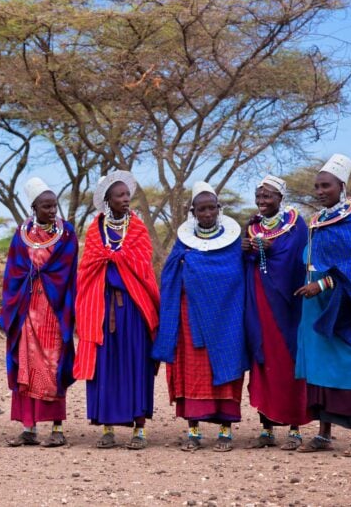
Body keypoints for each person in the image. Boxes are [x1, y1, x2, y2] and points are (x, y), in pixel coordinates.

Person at [294, 154, 351, 457]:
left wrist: (321, 284)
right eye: (317, 186)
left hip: (346, 303)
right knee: (319, 363)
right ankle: (323, 433)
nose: (320, 191)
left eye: (326, 186)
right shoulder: (319, 220)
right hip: (315, 305)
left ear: (341, 185)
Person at [152, 181, 249, 452]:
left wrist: (197, 268)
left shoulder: (233, 244)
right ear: (192, 212)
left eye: (211, 209)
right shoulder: (183, 244)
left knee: (226, 370)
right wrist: (189, 266)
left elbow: (235, 276)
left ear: (219, 209)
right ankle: (193, 431)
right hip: (189, 317)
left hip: (226, 319)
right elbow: (171, 274)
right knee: (192, 371)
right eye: (201, 210)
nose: (207, 214)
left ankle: (225, 432)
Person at [74, 171, 160, 450]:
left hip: (133, 308)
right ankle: (107, 427)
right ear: (107, 199)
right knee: (105, 366)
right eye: (119, 195)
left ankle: (139, 428)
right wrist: (110, 262)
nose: (125, 199)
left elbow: (143, 263)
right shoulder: (94, 229)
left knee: (136, 363)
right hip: (101, 307)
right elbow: (87, 267)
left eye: (127, 194)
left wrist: (117, 260)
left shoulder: (137, 228)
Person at [0, 178, 77, 448]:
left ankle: (57, 428)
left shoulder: (66, 234)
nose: (52, 210)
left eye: (54, 205)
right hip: (25, 308)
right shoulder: (21, 235)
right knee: (27, 365)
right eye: (46, 206)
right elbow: (12, 271)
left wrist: (44, 276)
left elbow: (68, 270)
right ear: (34, 207)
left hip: (54, 309)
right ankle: (28, 428)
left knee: (53, 364)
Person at [241, 175, 312, 450]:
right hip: (259, 302)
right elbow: (248, 262)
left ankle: (295, 428)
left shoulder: (295, 225)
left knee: (290, 363)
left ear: (281, 198)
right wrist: (246, 249)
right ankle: (266, 427)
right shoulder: (252, 226)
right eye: (259, 196)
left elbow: (298, 258)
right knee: (263, 360)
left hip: (288, 306)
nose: (262, 201)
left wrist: (270, 250)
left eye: (268, 196)